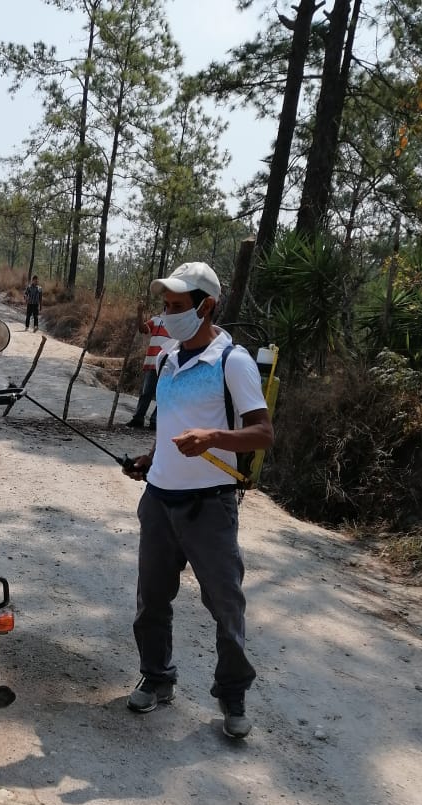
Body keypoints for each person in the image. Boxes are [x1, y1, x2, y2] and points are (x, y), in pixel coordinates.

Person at [122, 261, 274, 739]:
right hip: (159, 500)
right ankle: (157, 677)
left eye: (177, 306)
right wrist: (150, 459)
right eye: (165, 305)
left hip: (209, 506)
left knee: (226, 605)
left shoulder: (233, 361)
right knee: (151, 601)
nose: (167, 314)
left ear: (207, 306)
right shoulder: (168, 358)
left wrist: (213, 438)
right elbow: (171, 424)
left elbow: (263, 433)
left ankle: (232, 695)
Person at [126, 310, 175, 429]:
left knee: (163, 393)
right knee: (146, 392)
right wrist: (139, 314)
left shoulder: (178, 323)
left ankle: (155, 421)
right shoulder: (156, 319)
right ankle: (138, 418)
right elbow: (143, 329)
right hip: (153, 362)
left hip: (168, 364)